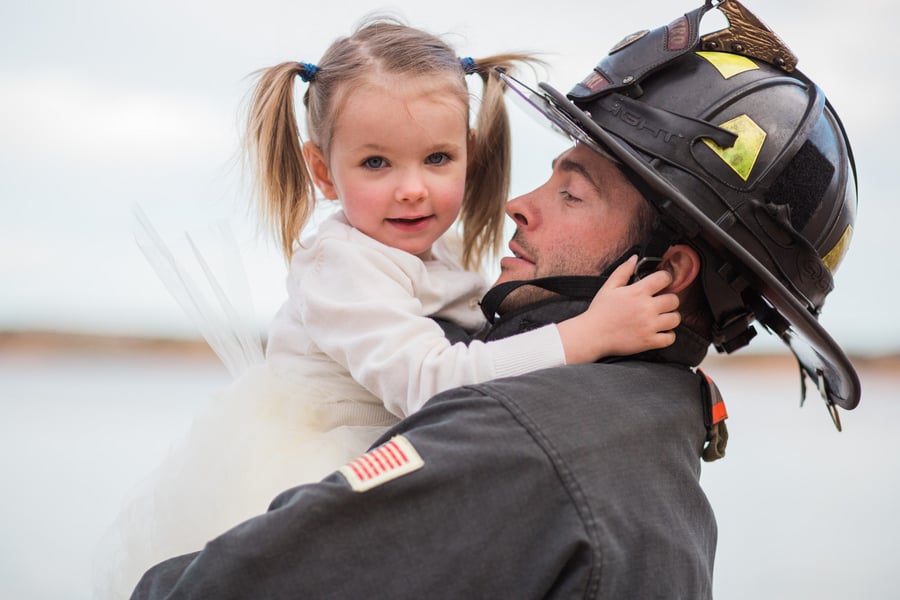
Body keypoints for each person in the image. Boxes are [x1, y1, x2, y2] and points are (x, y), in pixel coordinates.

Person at [131, 1, 860, 597]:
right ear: (324, 170)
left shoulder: (513, 440)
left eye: (571, 191)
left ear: (666, 276)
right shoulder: (659, 430)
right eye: (377, 162)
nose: (514, 203)